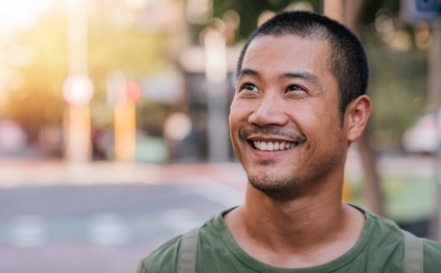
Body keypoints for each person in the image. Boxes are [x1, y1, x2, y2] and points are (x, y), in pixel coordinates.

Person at [136, 11, 441, 273]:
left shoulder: (419, 266)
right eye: (250, 87)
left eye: (295, 88)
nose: (263, 114)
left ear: (355, 117)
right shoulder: (174, 267)